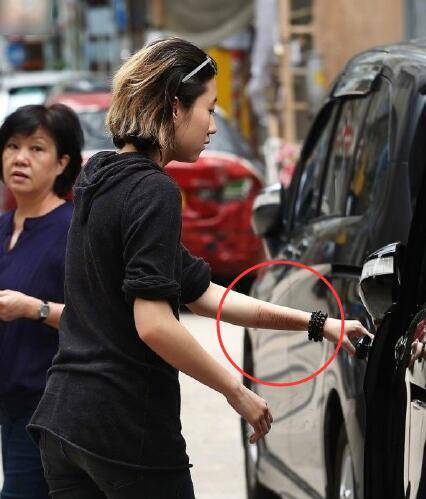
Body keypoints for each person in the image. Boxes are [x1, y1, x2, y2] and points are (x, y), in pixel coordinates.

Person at [27, 37, 370, 499]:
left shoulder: (99, 174)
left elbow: (206, 294)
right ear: (174, 108)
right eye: (208, 109)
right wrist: (236, 391)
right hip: (124, 429)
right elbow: (154, 324)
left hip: (64, 424)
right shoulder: (153, 190)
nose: (212, 125)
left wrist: (319, 323)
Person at [0, 104, 83, 499]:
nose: (20, 158)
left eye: (36, 148)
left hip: (51, 409)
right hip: (11, 404)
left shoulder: (74, 230)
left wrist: (34, 308)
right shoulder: (3, 226)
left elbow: (100, 321)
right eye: (12, 146)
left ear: (62, 163)